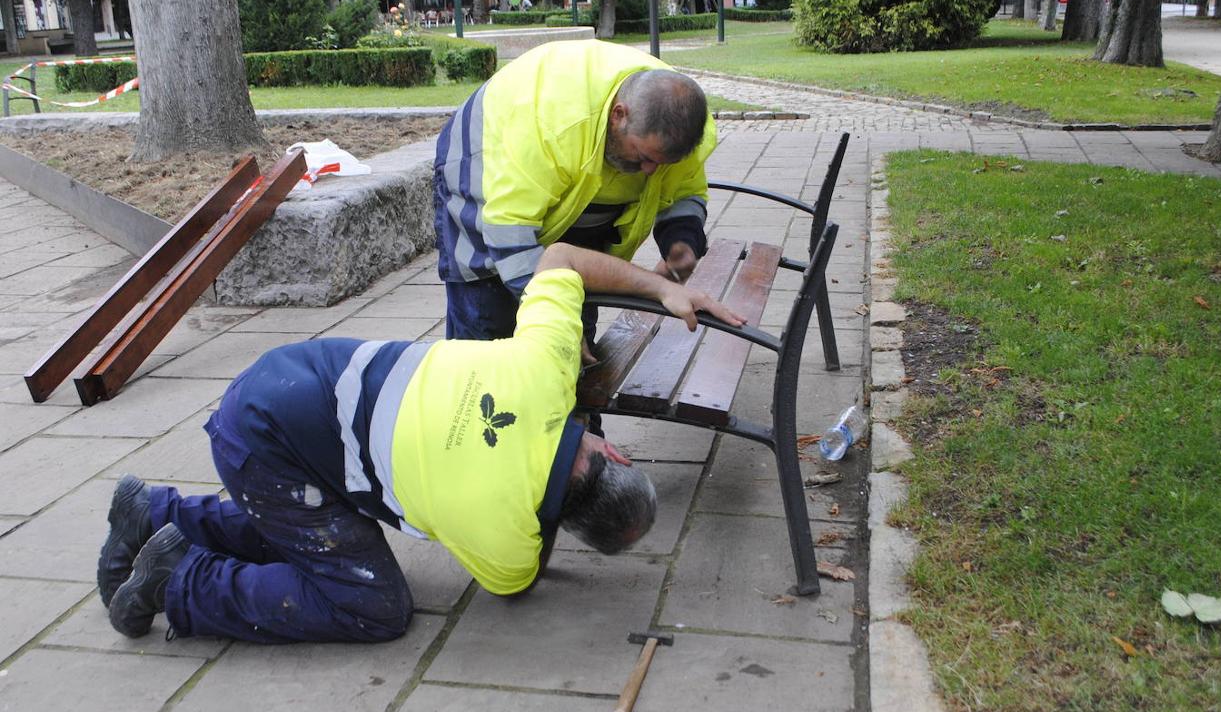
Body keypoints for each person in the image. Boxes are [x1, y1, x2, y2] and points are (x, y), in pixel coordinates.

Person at [98, 244, 744, 644]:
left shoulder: (547, 370)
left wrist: (661, 286)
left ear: (618, 456)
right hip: (267, 441)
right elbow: (511, 584)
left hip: (301, 371)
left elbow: (560, 258)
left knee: (326, 528)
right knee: (371, 606)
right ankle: (184, 578)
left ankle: (153, 515)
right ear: (569, 524)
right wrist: (537, 520)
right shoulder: (508, 540)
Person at [433, 40, 717, 362]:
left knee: (574, 323)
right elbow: (508, 236)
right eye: (643, 156)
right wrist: (560, 324)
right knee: (488, 327)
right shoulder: (553, 125)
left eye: (663, 162)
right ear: (618, 115)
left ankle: (571, 404)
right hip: (482, 172)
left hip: (569, 192)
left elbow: (684, 190)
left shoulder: (684, 128)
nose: (651, 171)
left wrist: (682, 241)